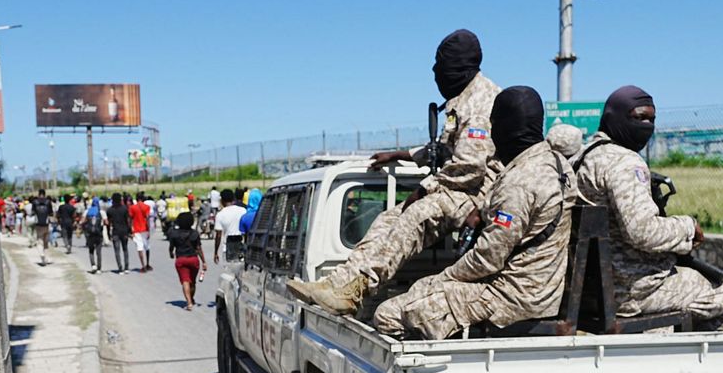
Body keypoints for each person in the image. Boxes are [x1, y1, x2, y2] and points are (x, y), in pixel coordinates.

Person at [288, 29, 500, 313]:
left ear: (458, 69)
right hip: (459, 188)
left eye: (440, 67)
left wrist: (424, 190)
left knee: (415, 216)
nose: (435, 75)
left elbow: (469, 167)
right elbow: (446, 150)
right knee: (388, 220)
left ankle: (357, 290)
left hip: (480, 194)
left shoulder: (481, 104)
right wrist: (402, 155)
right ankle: (337, 283)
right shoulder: (463, 99)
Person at [371, 86, 577, 339]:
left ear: (504, 127)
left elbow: (488, 259)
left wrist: (443, 279)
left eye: (493, 124)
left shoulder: (520, 183)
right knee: (421, 290)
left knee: (389, 314)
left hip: (509, 296)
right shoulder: (558, 164)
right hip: (540, 289)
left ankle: (444, 363)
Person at [575, 85, 723, 329]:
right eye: (639, 117)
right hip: (630, 292)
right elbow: (642, 231)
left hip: (588, 292)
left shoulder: (582, 157)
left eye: (651, 119)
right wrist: (688, 227)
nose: (646, 126)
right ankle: (687, 351)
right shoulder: (624, 162)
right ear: (614, 117)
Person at [167, 211, 207, 310]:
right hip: (193, 259)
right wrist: (204, 261)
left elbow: (171, 247)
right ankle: (191, 298)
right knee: (192, 282)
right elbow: (198, 248)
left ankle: (189, 303)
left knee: (185, 281)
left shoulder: (174, 233)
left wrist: (171, 253)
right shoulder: (194, 233)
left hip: (181, 260)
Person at [213, 188, 246, 263]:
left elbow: (218, 235)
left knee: (229, 269)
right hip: (241, 247)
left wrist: (215, 252)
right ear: (233, 198)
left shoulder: (220, 215)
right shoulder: (243, 210)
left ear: (222, 200)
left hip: (227, 249)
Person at [107, 192, 132, 273]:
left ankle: (120, 268)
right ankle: (126, 267)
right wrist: (130, 231)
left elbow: (109, 223)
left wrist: (108, 233)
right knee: (125, 249)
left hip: (115, 232)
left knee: (117, 251)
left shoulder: (110, 210)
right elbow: (128, 221)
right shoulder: (124, 209)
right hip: (124, 231)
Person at [129, 192, 153, 272]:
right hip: (145, 229)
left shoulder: (132, 207)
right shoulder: (147, 207)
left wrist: (131, 230)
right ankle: (148, 263)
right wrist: (149, 230)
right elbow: (147, 218)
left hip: (136, 229)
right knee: (147, 246)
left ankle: (143, 266)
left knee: (139, 248)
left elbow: (131, 219)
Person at [83, 196, 105, 273]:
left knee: (91, 250)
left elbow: (82, 221)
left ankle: (93, 265)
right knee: (99, 252)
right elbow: (106, 222)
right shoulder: (101, 212)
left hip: (90, 234)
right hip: (99, 233)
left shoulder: (87, 211)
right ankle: (99, 268)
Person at [32, 189, 54, 264]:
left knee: (39, 240)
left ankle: (41, 254)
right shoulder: (48, 202)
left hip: (38, 224)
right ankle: (46, 258)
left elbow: (32, 212)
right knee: (46, 242)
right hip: (46, 224)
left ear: (38, 194)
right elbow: (51, 213)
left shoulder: (35, 202)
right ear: (44, 194)